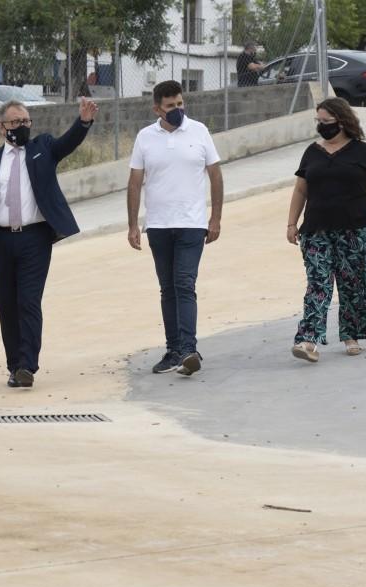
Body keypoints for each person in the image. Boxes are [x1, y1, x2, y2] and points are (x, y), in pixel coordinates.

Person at [0, 97, 99, 388]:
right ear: (2, 127)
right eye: (16, 122)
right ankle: (14, 365)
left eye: (26, 121)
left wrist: (83, 121)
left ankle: (27, 364)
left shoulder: (43, 148)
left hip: (34, 239)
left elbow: (67, 144)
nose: (22, 126)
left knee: (28, 301)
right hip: (0, 241)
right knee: (7, 305)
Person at [127, 80, 223, 377]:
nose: (177, 109)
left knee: (184, 283)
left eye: (180, 104)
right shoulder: (145, 137)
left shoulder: (200, 131)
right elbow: (135, 182)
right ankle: (173, 350)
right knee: (167, 288)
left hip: (192, 224)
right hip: (158, 225)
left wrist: (215, 218)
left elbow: (215, 176)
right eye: (170, 106)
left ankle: (188, 350)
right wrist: (132, 224)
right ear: (157, 109)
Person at [287, 97, 366, 362]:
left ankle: (351, 334)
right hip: (316, 231)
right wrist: (291, 223)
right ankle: (308, 341)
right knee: (318, 283)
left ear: (342, 121)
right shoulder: (312, 152)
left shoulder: (362, 152)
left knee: (354, 284)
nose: (321, 126)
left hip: (355, 231)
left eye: (326, 121)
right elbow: (300, 190)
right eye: (318, 121)